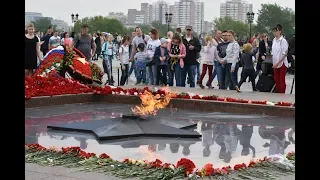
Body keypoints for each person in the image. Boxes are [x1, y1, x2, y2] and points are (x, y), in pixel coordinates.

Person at [271, 24, 289, 93]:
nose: (274, 33)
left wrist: (278, 62)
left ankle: (282, 94)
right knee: (276, 79)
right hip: (275, 62)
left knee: (282, 80)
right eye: (273, 31)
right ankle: (278, 93)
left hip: (282, 63)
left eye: (276, 31)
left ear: (280, 31)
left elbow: (284, 53)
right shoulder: (274, 40)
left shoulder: (283, 41)